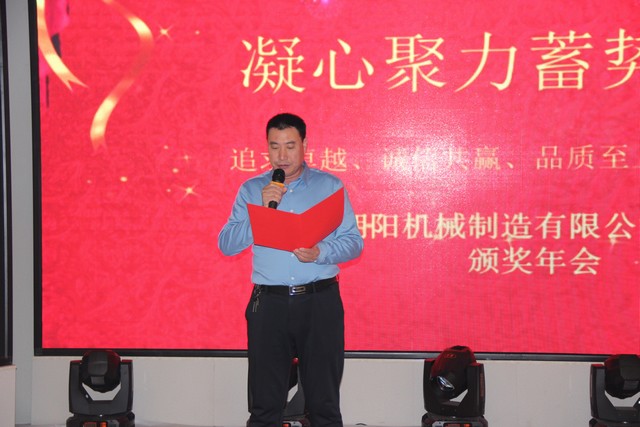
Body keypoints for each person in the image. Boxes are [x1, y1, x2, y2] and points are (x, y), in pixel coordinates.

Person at [218, 113, 364, 427]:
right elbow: (227, 244)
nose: (282, 155)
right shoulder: (252, 189)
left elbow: (354, 243)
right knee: (265, 404)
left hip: (319, 302)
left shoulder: (329, 186)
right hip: (269, 303)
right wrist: (258, 212)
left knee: (324, 404)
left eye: (290, 146)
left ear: (304, 144)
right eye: (274, 147)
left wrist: (321, 252)